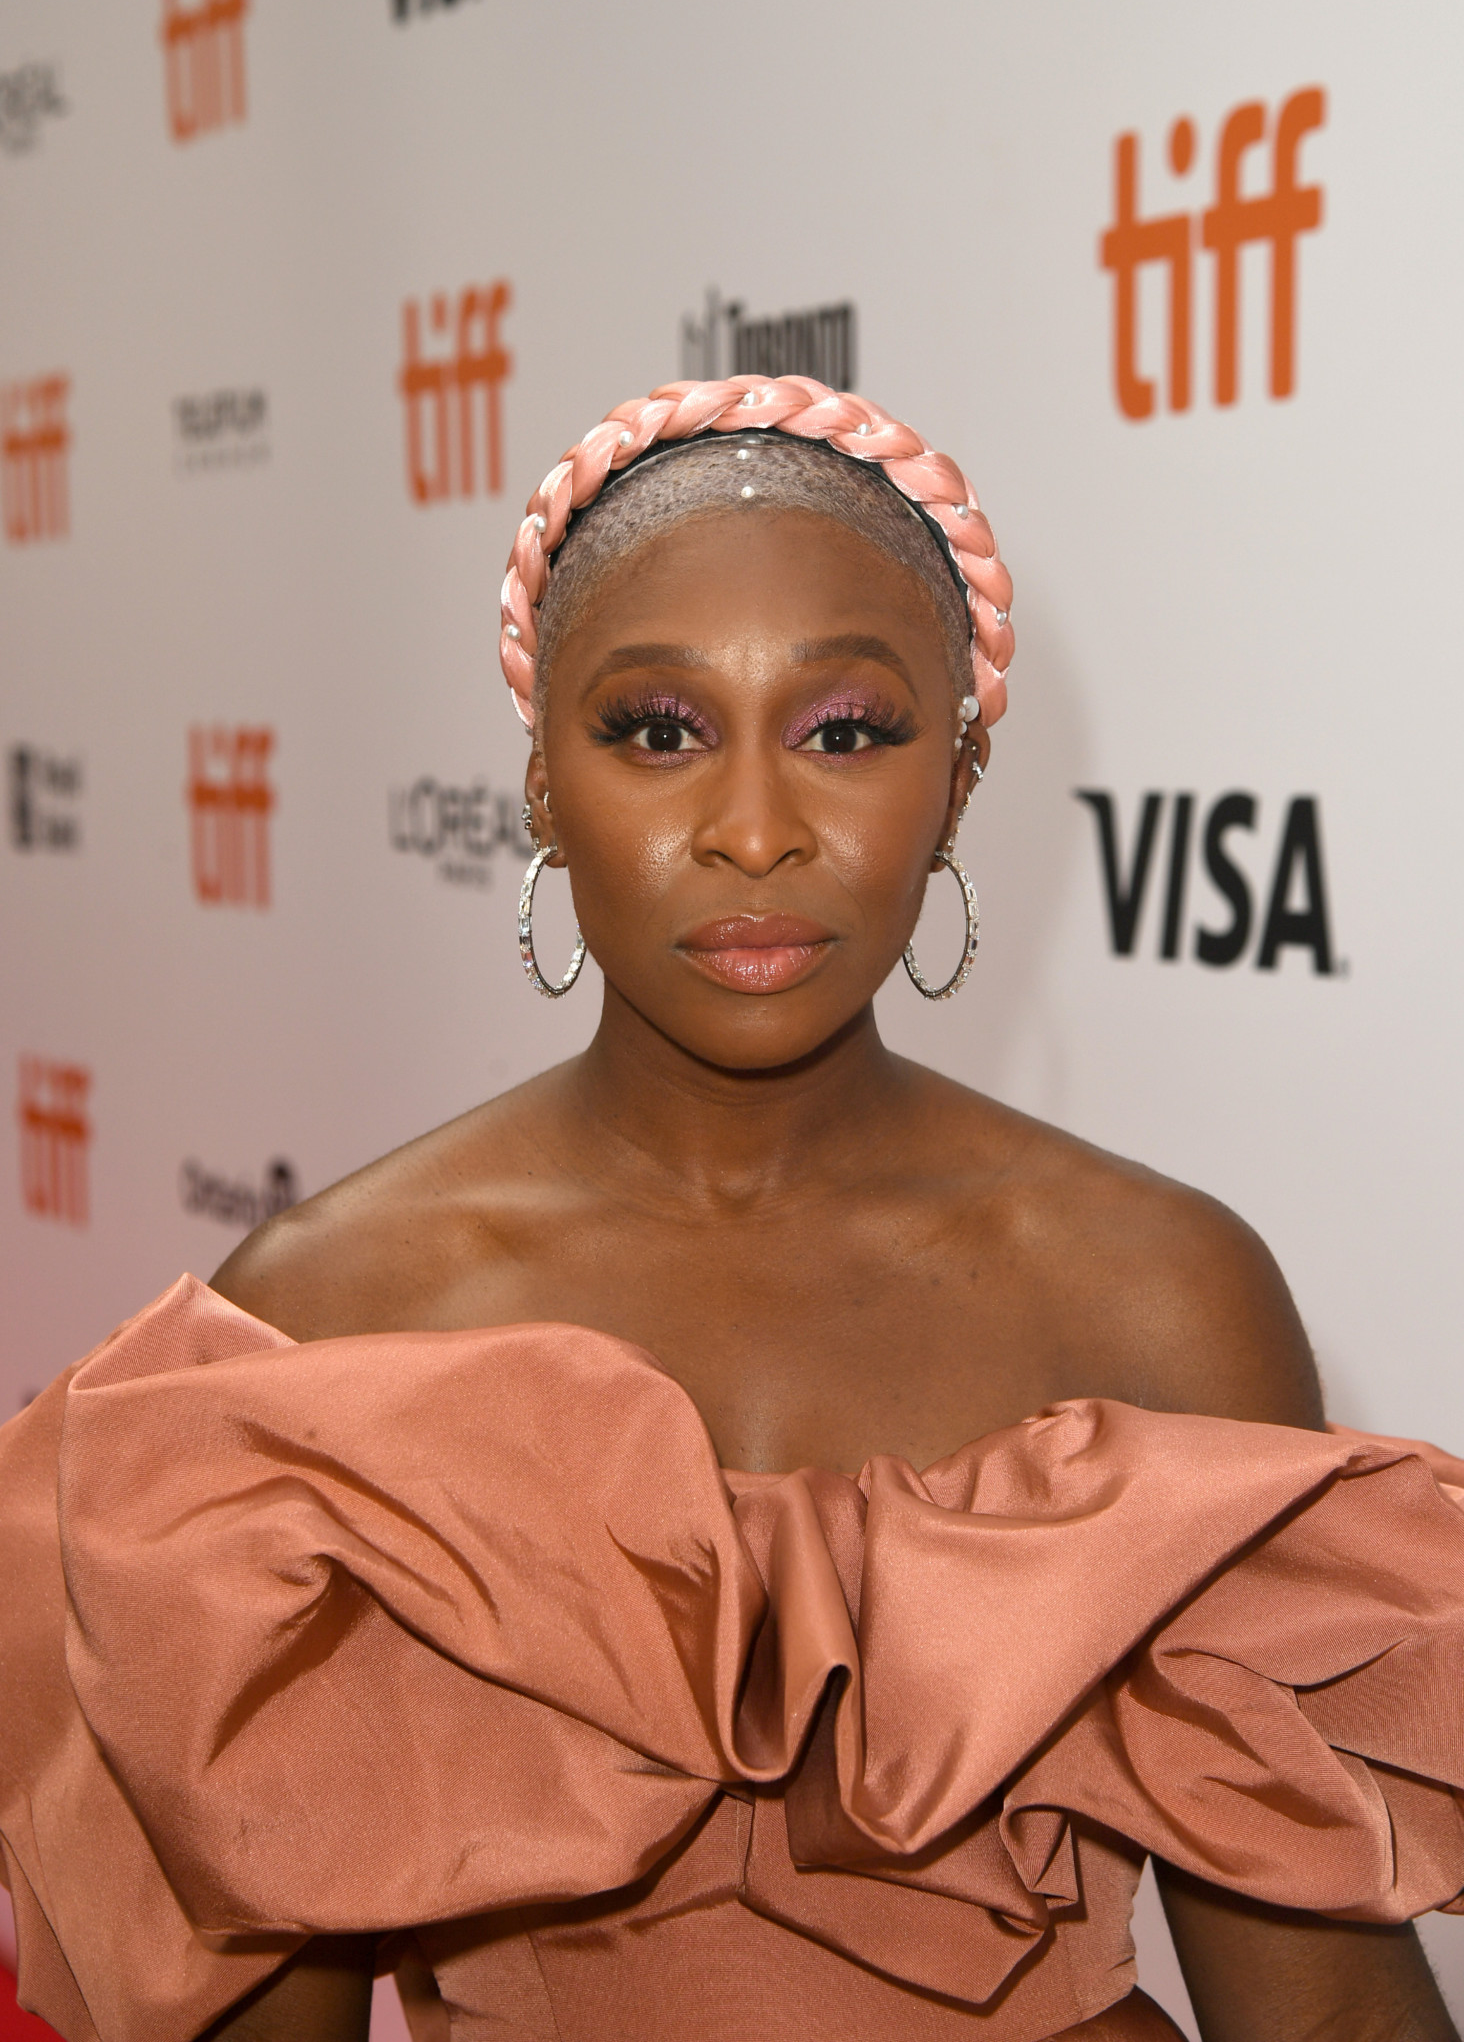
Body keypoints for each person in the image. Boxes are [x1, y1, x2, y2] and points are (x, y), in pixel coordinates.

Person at [2, 376, 1462, 2042]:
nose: (755, 833)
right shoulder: (327, 1313)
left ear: (960, 780)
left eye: (844, 733)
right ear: (539, 784)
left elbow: (1325, 2014)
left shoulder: (1159, 1295)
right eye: (657, 730)